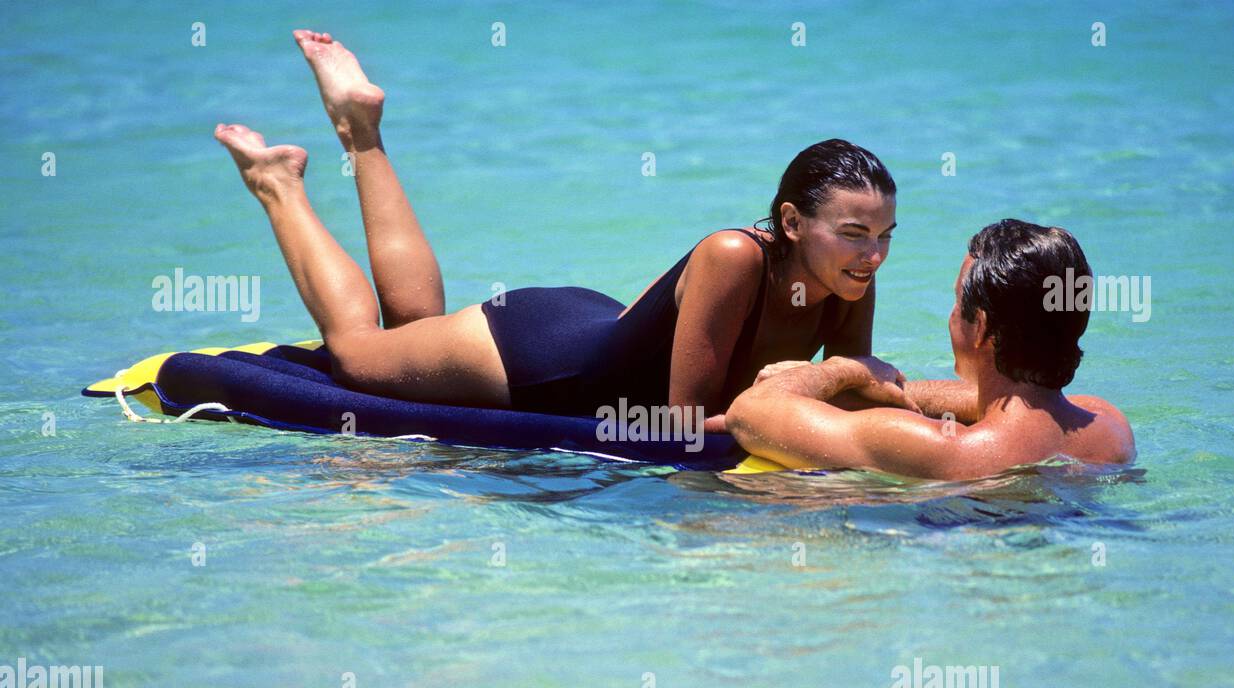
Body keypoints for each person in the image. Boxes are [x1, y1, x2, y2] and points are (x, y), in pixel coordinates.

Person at [214, 31, 901, 432]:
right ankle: (280, 182)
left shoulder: (850, 278)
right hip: (544, 358)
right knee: (362, 359)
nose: (872, 253)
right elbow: (681, 426)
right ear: (791, 222)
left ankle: (360, 130)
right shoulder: (733, 255)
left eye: (884, 235)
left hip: (598, 322)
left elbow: (845, 388)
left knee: (411, 326)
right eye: (854, 232)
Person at [726, 219, 1136, 478]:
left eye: (958, 303)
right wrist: (882, 386)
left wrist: (839, 371)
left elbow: (748, 412)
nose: (951, 316)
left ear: (981, 328)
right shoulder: (1109, 427)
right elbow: (1022, 404)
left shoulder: (941, 449)